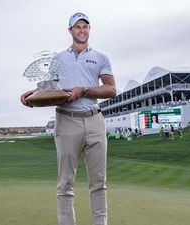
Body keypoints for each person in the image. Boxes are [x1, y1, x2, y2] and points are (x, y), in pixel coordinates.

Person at [21, 12, 116, 225]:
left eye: (85, 26)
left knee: (99, 182)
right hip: (66, 121)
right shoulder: (58, 59)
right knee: (65, 183)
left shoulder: (100, 57)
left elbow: (111, 89)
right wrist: (31, 95)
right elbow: (50, 89)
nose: (82, 30)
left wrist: (83, 90)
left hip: (94, 120)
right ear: (70, 30)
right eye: (77, 27)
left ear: (89, 29)